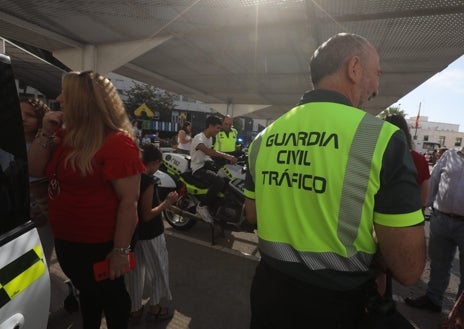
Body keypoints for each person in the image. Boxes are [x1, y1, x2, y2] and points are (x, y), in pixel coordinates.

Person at [244, 33, 425, 329]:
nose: (377, 88)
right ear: (354, 68)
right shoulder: (381, 138)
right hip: (338, 306)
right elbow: (408, 269)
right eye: (376, 74)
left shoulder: (264, 138)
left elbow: (252, 215)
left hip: (268, 294)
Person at [28, 70, 145, 329]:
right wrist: (45, 131)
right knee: (89, 296)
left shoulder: (117, 143)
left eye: (65, 95)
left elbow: (129, 203)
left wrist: (120, 252)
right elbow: (35, 169)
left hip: (100, 245)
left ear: (82, 102)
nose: (58, 98)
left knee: (112, 299)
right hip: (70, 241)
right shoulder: (63, 136)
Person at [405, 147, 464, 313]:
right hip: (441, 218)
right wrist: (426, 207)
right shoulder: (450, 155)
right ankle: (433, 299)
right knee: (438, 265)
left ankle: (458, 316)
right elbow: (434, 180)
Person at [126, 144, 177, 322]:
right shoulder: (148, 181)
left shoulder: (131, 175)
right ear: (154, 162)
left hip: (134, 234)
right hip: (152, 233)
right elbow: (147, 215)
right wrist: (167, 203)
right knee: (159, 270)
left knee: (135, 273)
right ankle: (155, 307)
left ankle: (135, 309)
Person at [191, 116, 237, 223]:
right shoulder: (199, 138)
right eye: (218, 128)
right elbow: (208, 151)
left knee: (226, 178)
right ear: (210, 126)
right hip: (198, 168)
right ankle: (202, 206)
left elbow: (208, 155)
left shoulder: (209, 138)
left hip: (206, 165)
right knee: (219, 181)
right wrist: (227, 156)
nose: (219, 130)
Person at [385, 115, 430, 207]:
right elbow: (424, 196)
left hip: (379, 213)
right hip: (412, 214)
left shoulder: (378, 156)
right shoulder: (420, 159)